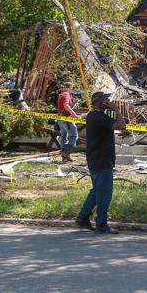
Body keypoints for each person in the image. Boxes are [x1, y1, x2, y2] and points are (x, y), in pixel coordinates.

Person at [75, 91, 126, 234]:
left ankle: (83, 217)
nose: (109, 101)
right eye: (106, 99)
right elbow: (122, 125)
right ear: (101, 102)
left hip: (94, 160)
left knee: (96, 191)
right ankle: (101, 224)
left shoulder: (92, 116)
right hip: (102, 161)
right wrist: (116, 110)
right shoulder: (99, 117)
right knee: (104, 194)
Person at [57, 82, 78, 162]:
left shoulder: (60, 95)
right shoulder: (66, 94)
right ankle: (66, 152)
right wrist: (73, 113)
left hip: (60, 119)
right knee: (74, 136)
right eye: (71, 89)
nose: (71, 90)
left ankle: (65, 158)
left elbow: (61, 107)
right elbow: (66, 105)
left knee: (63, 137)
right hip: (66, 120)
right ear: (69, 88)